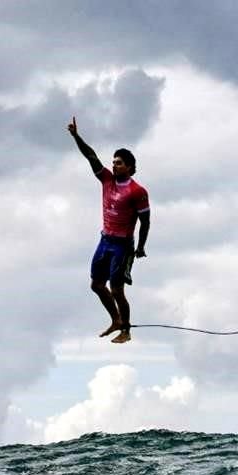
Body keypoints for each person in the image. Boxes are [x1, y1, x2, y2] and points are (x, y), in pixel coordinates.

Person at [68, 116, 150, 344]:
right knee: (96, 285)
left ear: (131, 168)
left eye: (120, 163)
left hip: (122, 245)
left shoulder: (137, 191)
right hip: (105, 240)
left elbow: (146, 221)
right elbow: (91, 156)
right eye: (113, 162)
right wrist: (76, 137)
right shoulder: (106, 180)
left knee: (117, 290)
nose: (114, 165)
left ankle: (126, 330)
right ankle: (115, 320)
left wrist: (141, 247)